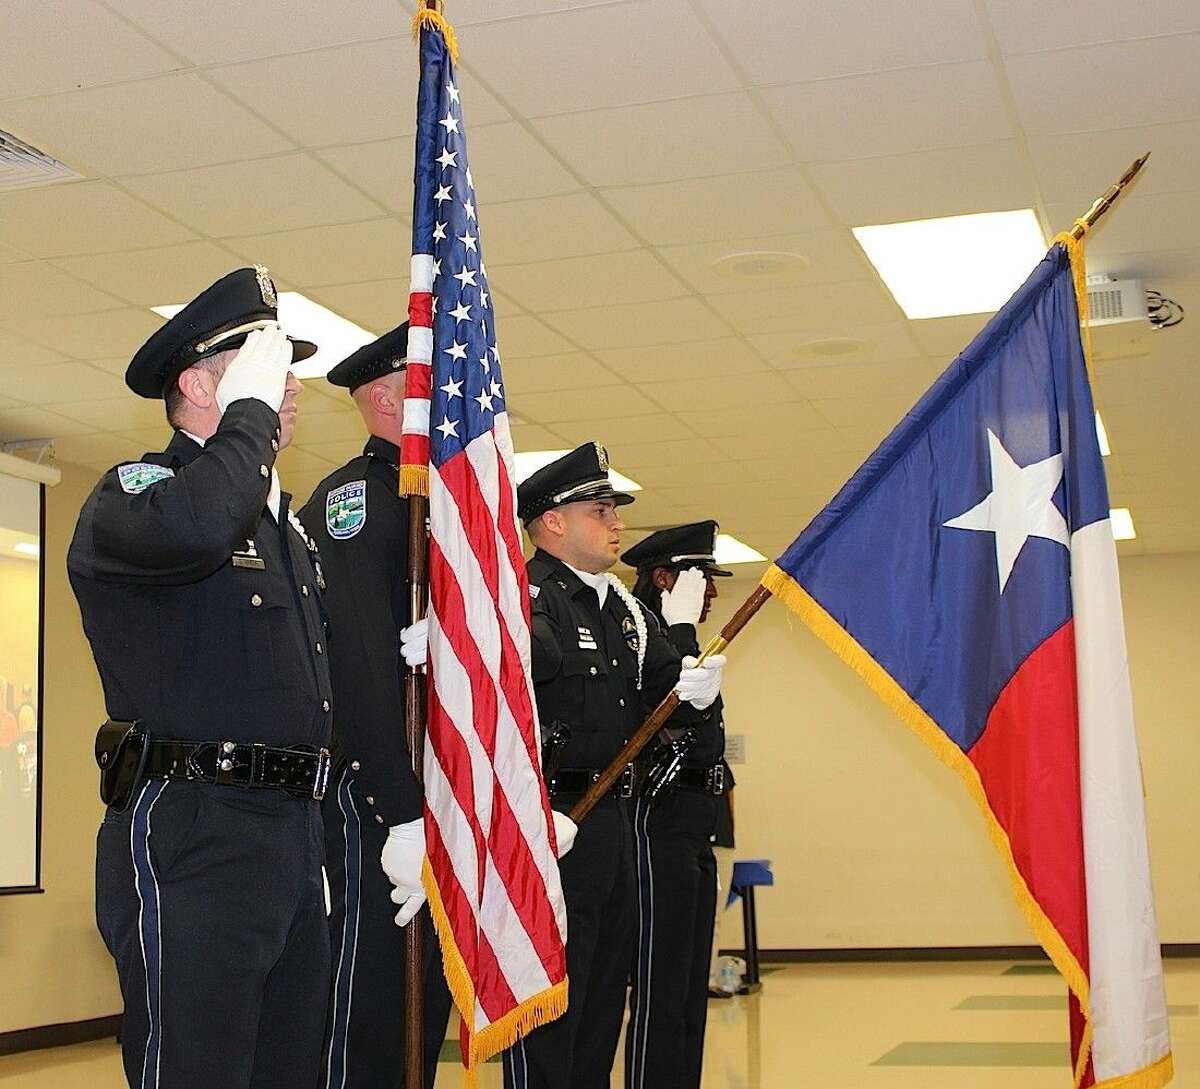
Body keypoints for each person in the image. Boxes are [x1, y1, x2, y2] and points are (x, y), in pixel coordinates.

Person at [68, 266, 335, 1089]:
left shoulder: (281, 528)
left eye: (283, 369)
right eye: (259, 366)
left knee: (291, 1069)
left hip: (293, 832)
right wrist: (247, 420)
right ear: (195, 380)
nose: (286, 387)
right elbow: (197, 525)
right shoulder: (137, 495)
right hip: (197, 830)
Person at [501, 444, 727, 1089]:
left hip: (616, 823)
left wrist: (691, 682)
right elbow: (499, 717)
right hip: (550, 823)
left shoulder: (621, 612)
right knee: (548, 1007)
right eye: (600, 511)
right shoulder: (526, 597)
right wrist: (531, 807)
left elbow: (664, 702)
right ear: (553, 522)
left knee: (602, 998)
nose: (617, 524)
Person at [298, 323, 452, 1089]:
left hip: (435, 800)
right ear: (387, 397)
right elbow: (358, 662)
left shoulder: (440, 504)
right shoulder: (358, 501)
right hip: (379, 803)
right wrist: (400, 807)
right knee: (371, 1014)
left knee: (424, 1016)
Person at [621, 521, 735, 1089]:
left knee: (690, 989)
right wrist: (683, 631)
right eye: (699, 578)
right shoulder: (645, 638)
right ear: (663, 578)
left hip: (695, 824)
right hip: (659, 821)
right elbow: (672, 716)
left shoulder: (677, 640)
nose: (710, 592)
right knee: (661, 985)